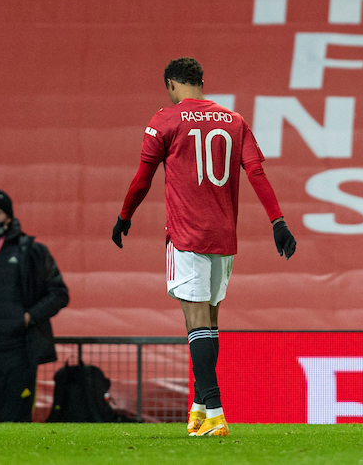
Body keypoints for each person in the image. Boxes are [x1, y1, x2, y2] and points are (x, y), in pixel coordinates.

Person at [112, 57, 297, 437]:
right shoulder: (234, 120)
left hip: (187, 234)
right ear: (201, 81)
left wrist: (124, 215)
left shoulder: (165, 119)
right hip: (224, 236)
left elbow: (142, 177)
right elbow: (256, 172)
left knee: (196, 322)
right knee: (208, 322)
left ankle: (215, 411)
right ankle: (199, 408)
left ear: (170, 84)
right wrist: (277, 221)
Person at [0, 190, 69, 422]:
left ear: (8, 217)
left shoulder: (31, 251)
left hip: (18, 352)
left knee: (15, 420)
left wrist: (29, 317)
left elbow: (59, 293)